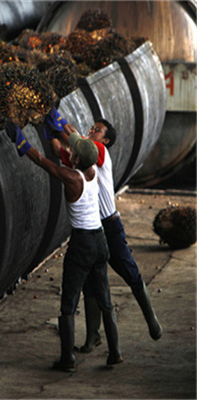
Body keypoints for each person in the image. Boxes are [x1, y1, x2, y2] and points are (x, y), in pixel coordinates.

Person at [5, 120, 123, 372]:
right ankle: (115, 352)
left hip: (81, 244)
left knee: (68, 301)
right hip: (100, 241)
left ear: (77, 161)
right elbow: (64, 150)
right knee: (105, 299)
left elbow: (42, 162)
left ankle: (67, 360)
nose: (69, 151)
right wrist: (55, 134)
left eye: (73, 151)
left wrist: (21, 141)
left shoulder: (72, 177)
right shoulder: (93, 172)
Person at [44, 109, 163, 353]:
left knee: (128, 270)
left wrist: (60, 121)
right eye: (92, 128)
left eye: (97, 130)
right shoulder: (81, 159)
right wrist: (48, 131)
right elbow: (60, 151)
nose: (91, 131)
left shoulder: (100, 152)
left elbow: (76, 139)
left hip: (109, 225)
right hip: (93, 230)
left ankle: (152, 320)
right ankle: (93, 336)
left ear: (106, 140)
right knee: (92, 284)